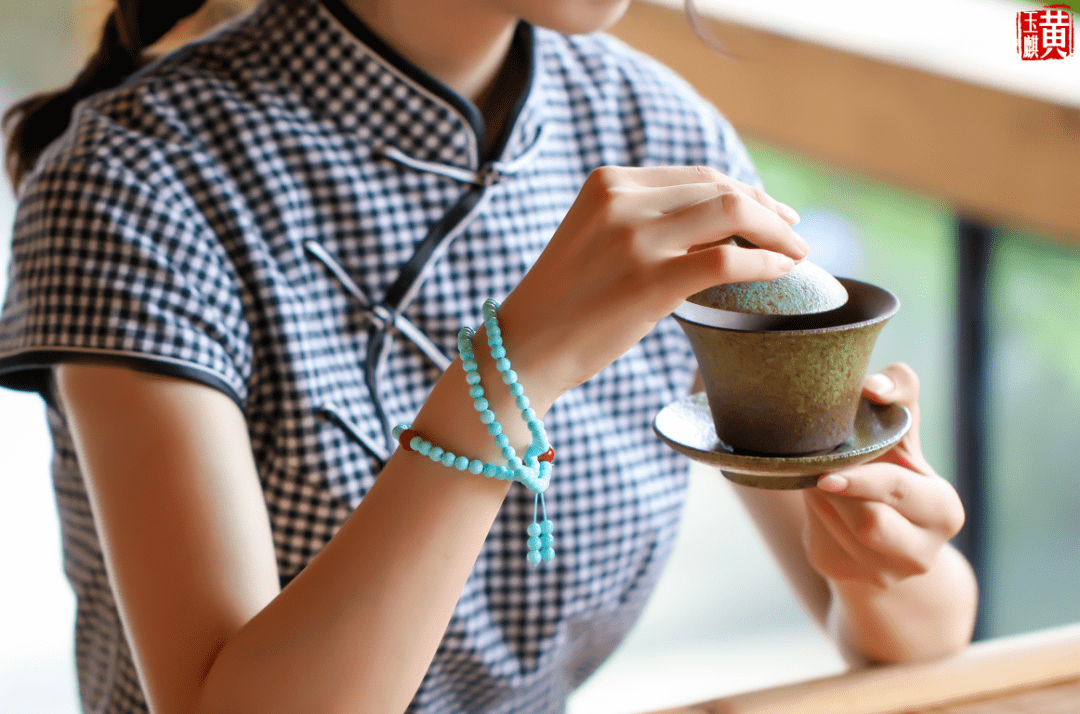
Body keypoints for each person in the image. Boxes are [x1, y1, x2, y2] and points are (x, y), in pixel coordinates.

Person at [0, 0, 977, 712]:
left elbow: (921, 633)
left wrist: (884, 557)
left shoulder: (653, 127)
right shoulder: (132, 181)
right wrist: (508, 373)